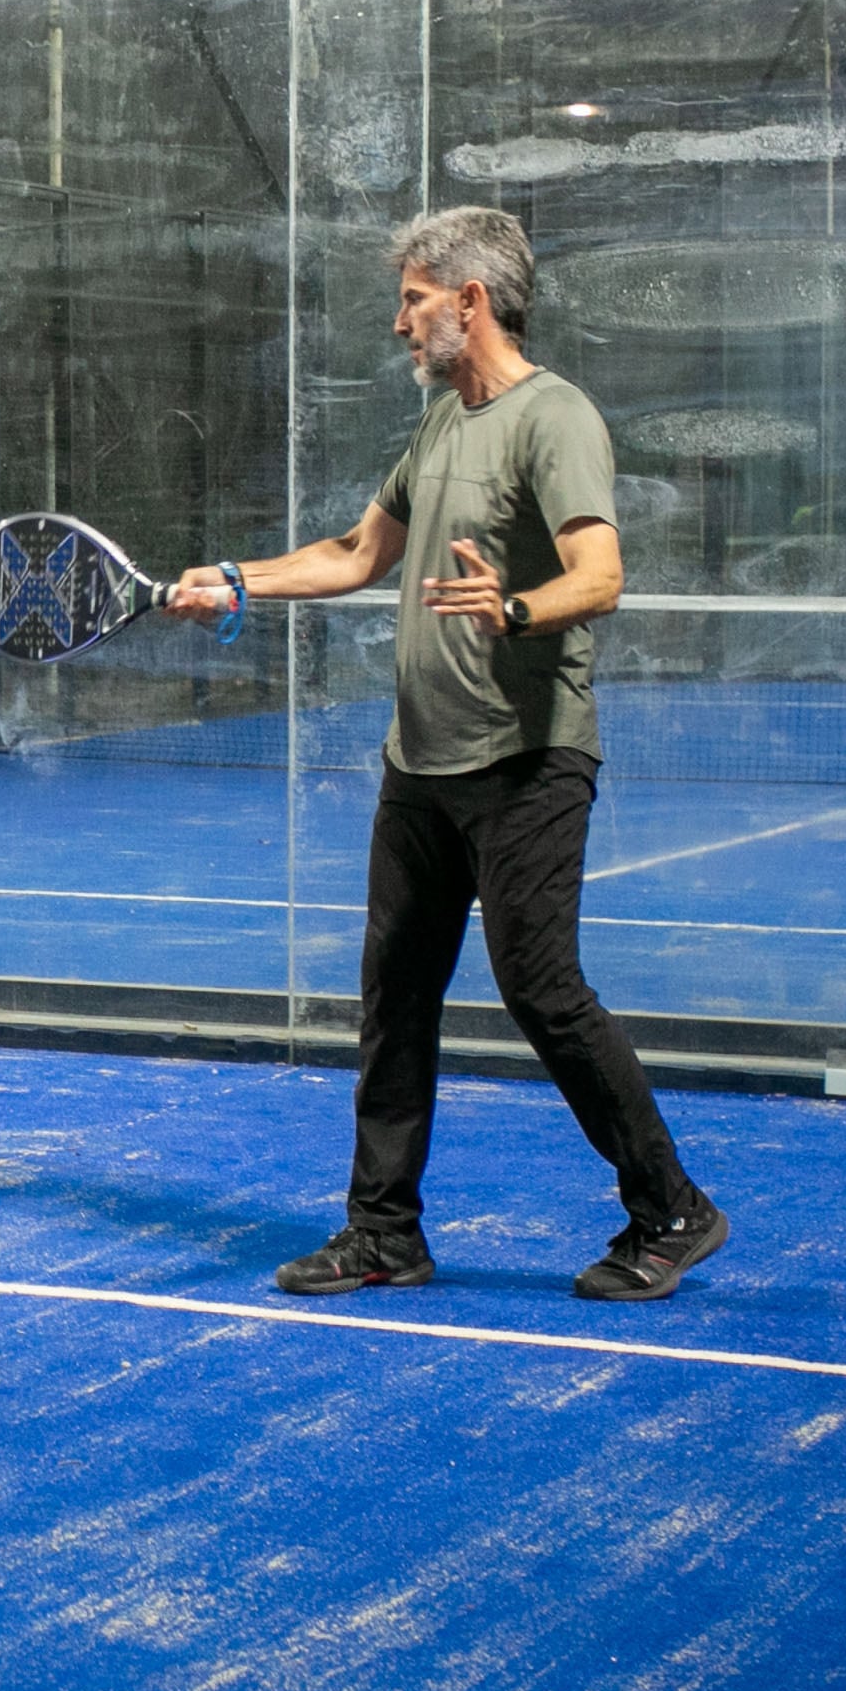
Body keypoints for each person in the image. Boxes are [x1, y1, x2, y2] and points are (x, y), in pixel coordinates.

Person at [169, 206, 726, 1303]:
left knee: (542, 987)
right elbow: (353, 552)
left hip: (528, 758)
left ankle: (673, 1208)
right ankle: (384, 1232)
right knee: (396, 996)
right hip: (418, 765)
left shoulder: (553, 416)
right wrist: (236, 579)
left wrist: (514, 607)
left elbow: (600, 574)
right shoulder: (437, 428)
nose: (399, 322)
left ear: (470, 302)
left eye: (415, 298)